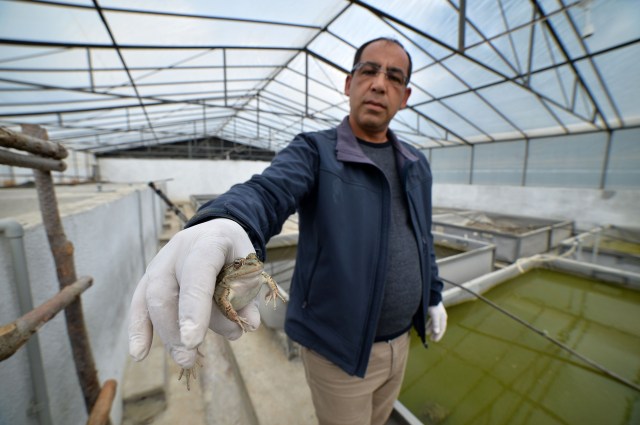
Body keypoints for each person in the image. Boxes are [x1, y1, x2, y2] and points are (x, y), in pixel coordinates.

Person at [128, 36, 447, 425]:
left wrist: (433, 295)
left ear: (406, 95)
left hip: (402, 341)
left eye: (394, 77)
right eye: (368, 71)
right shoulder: (316, 152)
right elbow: (269, 190)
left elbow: (423, 238)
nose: (379, 84)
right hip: (338, 352)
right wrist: (227, 219)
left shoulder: (416, 165)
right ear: (349, 83)